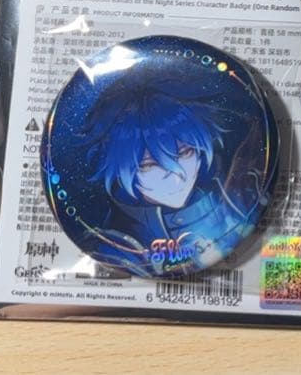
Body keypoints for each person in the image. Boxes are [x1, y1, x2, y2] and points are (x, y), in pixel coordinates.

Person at [76, 77, 262, 275]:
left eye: (185, 153)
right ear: (122, 169)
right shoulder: (115, 246)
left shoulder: (235, 195)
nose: (176, 176)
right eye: (149, 165)